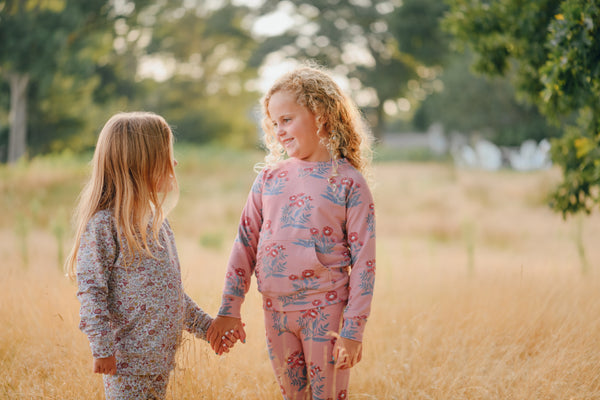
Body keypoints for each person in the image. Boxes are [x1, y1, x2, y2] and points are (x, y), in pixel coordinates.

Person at [207, 65, 376, 399]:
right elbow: (244, 244)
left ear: (321, 115)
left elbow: (365, 264)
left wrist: (353, 330)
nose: (279, 130)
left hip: (325, 309)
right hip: (275, 310)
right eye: (274, 123)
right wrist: (230, 307)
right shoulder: (269, 180)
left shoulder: (348, 182)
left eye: (287, 120)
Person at [65, 112, 234, 400]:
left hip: (158, 362)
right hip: (127, 363)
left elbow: (169, 294)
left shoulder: (156, 223)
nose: (175, 162)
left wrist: (207, 328)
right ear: (141, 165)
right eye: (166, 154)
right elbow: (91, 290)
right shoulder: (104, 226)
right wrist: (102, 348)